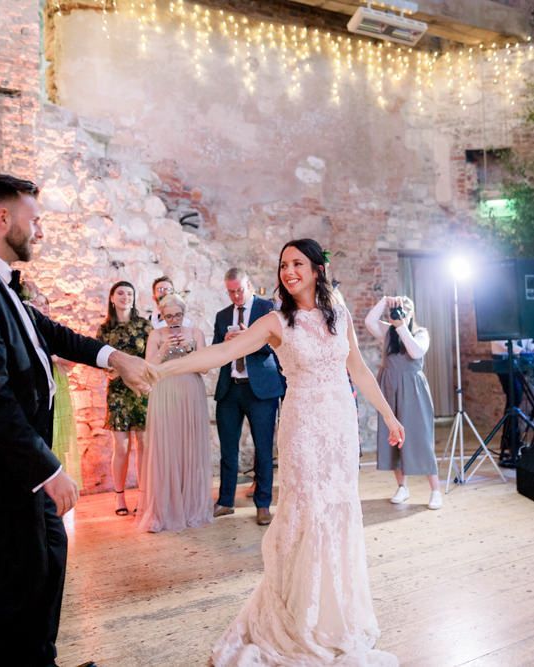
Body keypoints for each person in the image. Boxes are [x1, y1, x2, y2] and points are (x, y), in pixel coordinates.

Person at [149, 239, 405, 665]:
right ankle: (300, 614)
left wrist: (389, 416)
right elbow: (223, 352)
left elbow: (356, 368)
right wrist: (163, 368)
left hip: (340, 426)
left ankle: (336, 613)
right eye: (284, 265)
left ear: (317, 269)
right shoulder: (274, 321)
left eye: (298, 263)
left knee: (338, 511)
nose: (289, 271)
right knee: (308, 513)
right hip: (303, 425)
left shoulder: (338, 314)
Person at [0, 173, 149, 667]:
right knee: (19, 585)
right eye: (35, 220)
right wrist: (48, 470)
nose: (41, 232)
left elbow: (48, 332)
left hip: (21, 466)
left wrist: (114, 357)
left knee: (46, 565)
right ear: (3, 217)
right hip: (4, 471)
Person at [212, 268, 285, 526]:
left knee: (263, 448)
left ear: (250, 285)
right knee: (228, 449)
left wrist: (249, 339)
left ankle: (263, 504)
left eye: (239, 290)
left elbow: (278, 345)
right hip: (230, 389)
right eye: (230, 291)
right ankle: (225, 501)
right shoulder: (222, 315)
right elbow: (216, 351)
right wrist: (226, 341)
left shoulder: (268, 309)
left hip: (261, 390)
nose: (236, 296)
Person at [138, 293, 212, 532]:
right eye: (168, 316)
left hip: (191, 393)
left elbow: (204, 367)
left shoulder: (197, 334)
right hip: (165, 394)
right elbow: (148, 369)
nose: (173, 320)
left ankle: (191, 508)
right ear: (162, 316)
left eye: (178, 315)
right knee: (166, 449)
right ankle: (162, 511)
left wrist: (190, 350)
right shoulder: (155, 335)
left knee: (188, 448)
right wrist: (165, 349)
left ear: (184, 313)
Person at [365, 295, 441, 510]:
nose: (400, 313)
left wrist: (401, 327)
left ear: (412, 313)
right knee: (394, 437)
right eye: (398, 309)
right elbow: (369, 321)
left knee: (420, 438)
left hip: (413, 390)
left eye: (405, 309)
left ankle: (435, 490)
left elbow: (416, 351)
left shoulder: (420, 333)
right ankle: (402, 487)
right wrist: (385, 300)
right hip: (389, 386)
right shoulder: (387, 332)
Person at [96, 281, 152, 515]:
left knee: (144, 446)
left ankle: (143, 496)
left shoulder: (144, 326)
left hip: (140, 390)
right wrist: (112, 370)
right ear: (111, 298)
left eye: (130, 293)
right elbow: (97, 359)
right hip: (118, 392)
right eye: (120, 293)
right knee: (121, 446)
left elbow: (151, 357)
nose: (125, 297)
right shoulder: (105, 329)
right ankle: (119, 498)